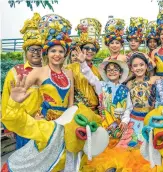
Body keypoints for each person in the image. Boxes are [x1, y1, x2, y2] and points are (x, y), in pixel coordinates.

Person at [1, 75, 109, 171]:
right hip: (18, 168)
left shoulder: (83, 146)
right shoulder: (51, 130)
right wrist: (14, 104)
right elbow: (20, 122)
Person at [1, 13, 43, 149]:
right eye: (32, 49)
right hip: (24, 126)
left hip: (47, 124)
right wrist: (8, 127)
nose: (36, 52)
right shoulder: (15, 72)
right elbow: (6, 99)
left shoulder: (49, 71)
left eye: (40, 49)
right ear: (26, 50)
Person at [23, 14, 74, 120]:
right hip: (44, 122)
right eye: (53, 51)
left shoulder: (69, 73)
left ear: (65, 54)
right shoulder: (38, 72)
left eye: (61, 51)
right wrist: (32, 117)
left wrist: (68, 122)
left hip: (65, 122)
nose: (57, 54)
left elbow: (70, 103)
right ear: (46, 53)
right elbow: (21, 95)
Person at [66, 18, 102, 114]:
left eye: (93, 49)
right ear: (81, 50)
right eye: (87, 48)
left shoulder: (98, 71)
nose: (90, 51)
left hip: (95, 113)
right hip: (77, 112)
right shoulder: (70, 68)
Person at [126, 53, 162, 143]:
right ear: (131, 68)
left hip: (150, 119)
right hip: (134, 119)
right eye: (135, 66)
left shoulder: (153, 79)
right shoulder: (129, 84)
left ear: (146, 66)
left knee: (149, 145)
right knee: (134, 145)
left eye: (141, 65)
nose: (139, 68)